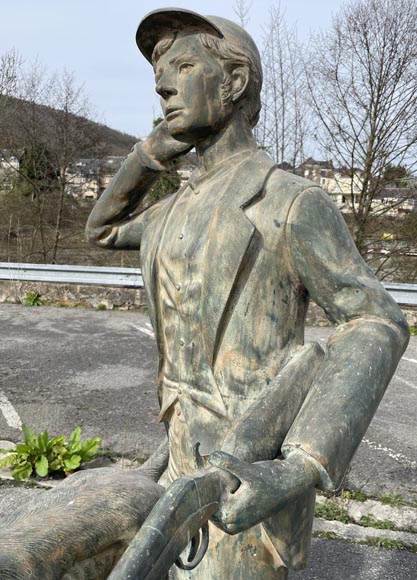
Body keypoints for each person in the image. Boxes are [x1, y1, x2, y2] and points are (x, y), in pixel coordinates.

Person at [86, 9, 410, 579]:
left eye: (185, 66)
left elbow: (375, 321)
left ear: (233, 84)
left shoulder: (287, 202)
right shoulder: (172, 212)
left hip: (249, 475)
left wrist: (299, 466)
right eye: (160, 73)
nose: (163, 85)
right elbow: (102, 229)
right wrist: (151, 152)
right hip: (178, 459)